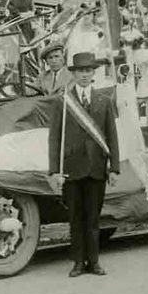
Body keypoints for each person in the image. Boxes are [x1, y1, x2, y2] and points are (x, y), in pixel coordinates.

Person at [47, 52, 121, 277]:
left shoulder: (104, 101)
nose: (84, 75)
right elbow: (54, 139)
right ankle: (78, 262)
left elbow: (112, 136)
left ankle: (95, 261)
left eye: (88, 71)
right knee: (76, 219)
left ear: (93, 73)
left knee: (94, 219)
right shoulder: (63, 102)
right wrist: (54, 171)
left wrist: (114, 168)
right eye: (80, 71)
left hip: (97, 168)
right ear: (73, 74)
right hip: (72, 169)